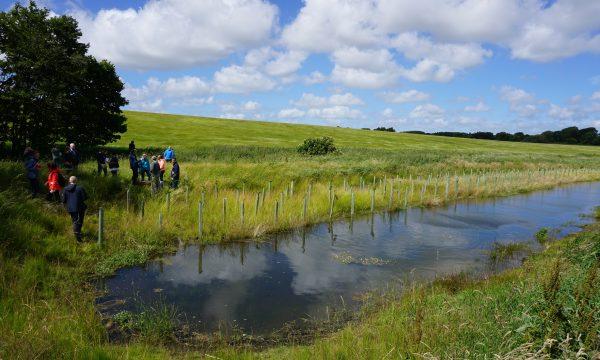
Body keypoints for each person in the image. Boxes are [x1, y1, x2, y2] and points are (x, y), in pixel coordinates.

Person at [62, 176, 87, 243]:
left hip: (70, 208)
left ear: (69, 181)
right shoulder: (80, 188)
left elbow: (63, 200)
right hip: (80, 207)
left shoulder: (65, 189)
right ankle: (78, 236)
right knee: (79, 221)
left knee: (74, 220)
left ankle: (78, 233)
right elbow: (85, 198)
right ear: (76, 181)